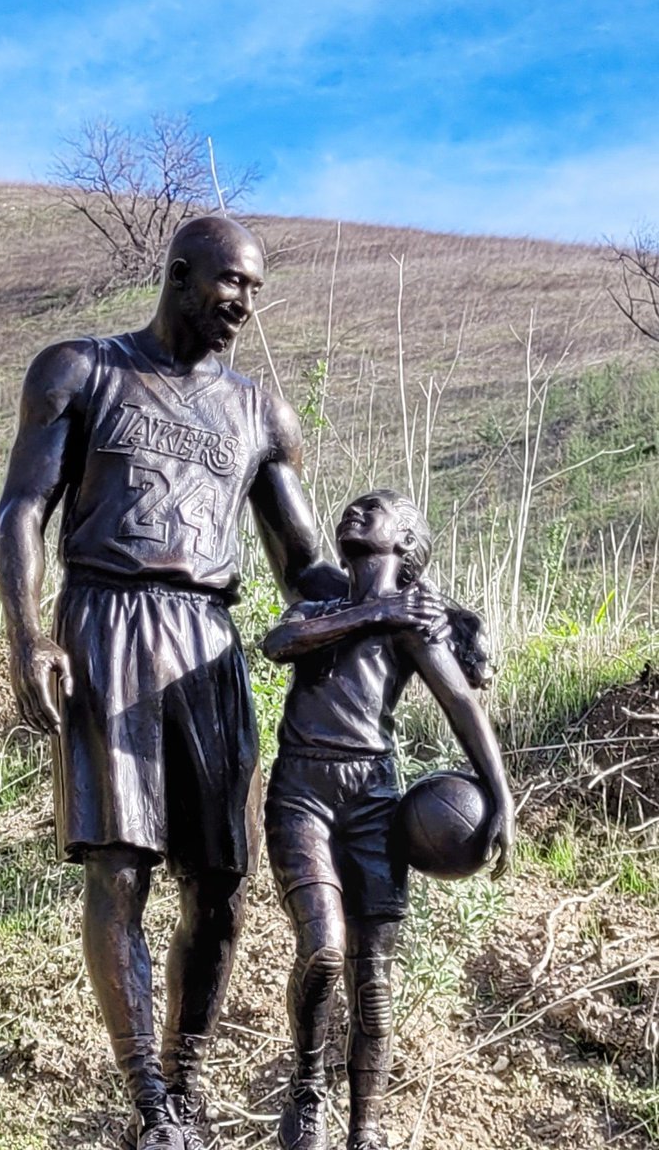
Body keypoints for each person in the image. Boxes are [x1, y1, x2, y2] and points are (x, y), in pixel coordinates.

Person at [0, 218, 443, 1150]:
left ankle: (190, 1081)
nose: (242, 302)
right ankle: (153, 1102)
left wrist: (409, 601)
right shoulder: (80, 370)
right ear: (181, 274)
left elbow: (308, 569)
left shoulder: (261, 416)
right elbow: (22, 509)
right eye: (229, 282)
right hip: (106, 622)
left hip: (209, 640)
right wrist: (28, 633)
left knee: (224, 881)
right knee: (122, 868)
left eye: (255, 289)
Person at [262, 489, 515, 1150]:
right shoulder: (321, 602)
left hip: (373, 799)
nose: (354, 512)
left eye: (373, 510)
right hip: (302, 793)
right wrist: (378, 609)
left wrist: (502, 796)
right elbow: (279, 640)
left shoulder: (415, 622)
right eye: (352, 507)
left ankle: (365, 1130)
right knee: (322, 947)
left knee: (373, 983)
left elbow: (461, 703)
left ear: (406, 544)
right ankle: (307, 1088)